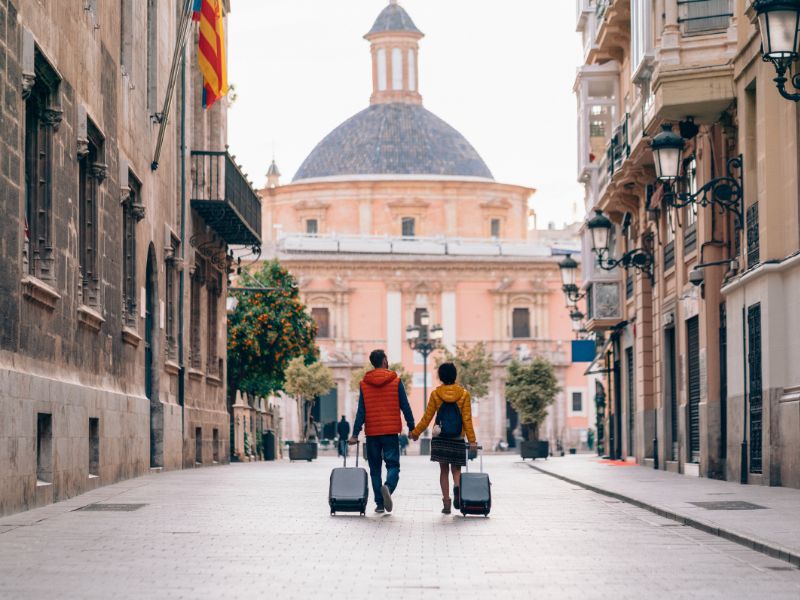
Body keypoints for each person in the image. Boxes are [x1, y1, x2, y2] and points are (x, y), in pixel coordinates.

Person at [349, 349, 415, 514]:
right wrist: (412, 427)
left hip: (372, 433)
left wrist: (355, 434)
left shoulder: (364, 384)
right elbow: (405, 406)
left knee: (375, 468)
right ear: (384, 360)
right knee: (393, 465)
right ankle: (388, 487)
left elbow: (361, 412)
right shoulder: (396, 381)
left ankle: (379, 503)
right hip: (390, 432)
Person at [410, 362, 477, 515]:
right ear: (455, 376)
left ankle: (446, 503)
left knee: (443, 470)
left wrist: (416, 433)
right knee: (456, 470)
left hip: (441, 437)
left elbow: (427, 417)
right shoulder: (464, 394)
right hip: (457, 437)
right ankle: (459, 490)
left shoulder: (436, 394)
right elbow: (467, 419)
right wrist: (472, 440)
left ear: (440, 376)